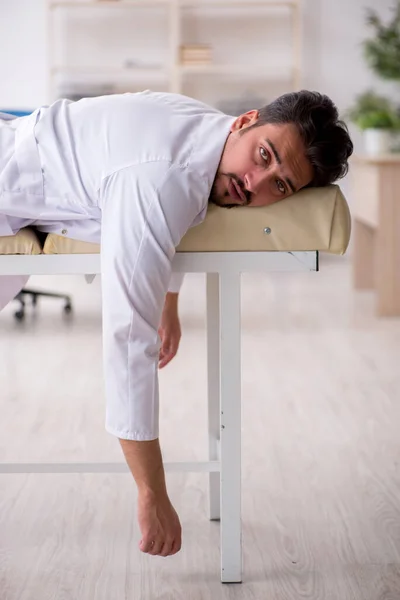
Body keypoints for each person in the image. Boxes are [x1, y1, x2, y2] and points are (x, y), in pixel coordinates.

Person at [0, 89, 353, 557]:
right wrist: (152, 492)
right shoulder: (162, 179)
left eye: (281, 185)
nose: (255, 182)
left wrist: (169, 299)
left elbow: (183, 217)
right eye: (264, 156)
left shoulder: (213, 129)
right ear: (247, 121)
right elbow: (128, 336)